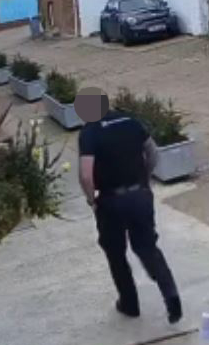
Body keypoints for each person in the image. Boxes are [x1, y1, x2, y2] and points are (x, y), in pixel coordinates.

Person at [76, 86, 182, 323]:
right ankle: (171, 294)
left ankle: (130, 303)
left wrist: (91, 199)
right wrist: (144, 180)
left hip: (111, 200)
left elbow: (85, 174)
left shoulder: (90, 131)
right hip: (140, 196)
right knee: (147, 247)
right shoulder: (132, 121)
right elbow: (153, 154)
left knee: (115, 253)